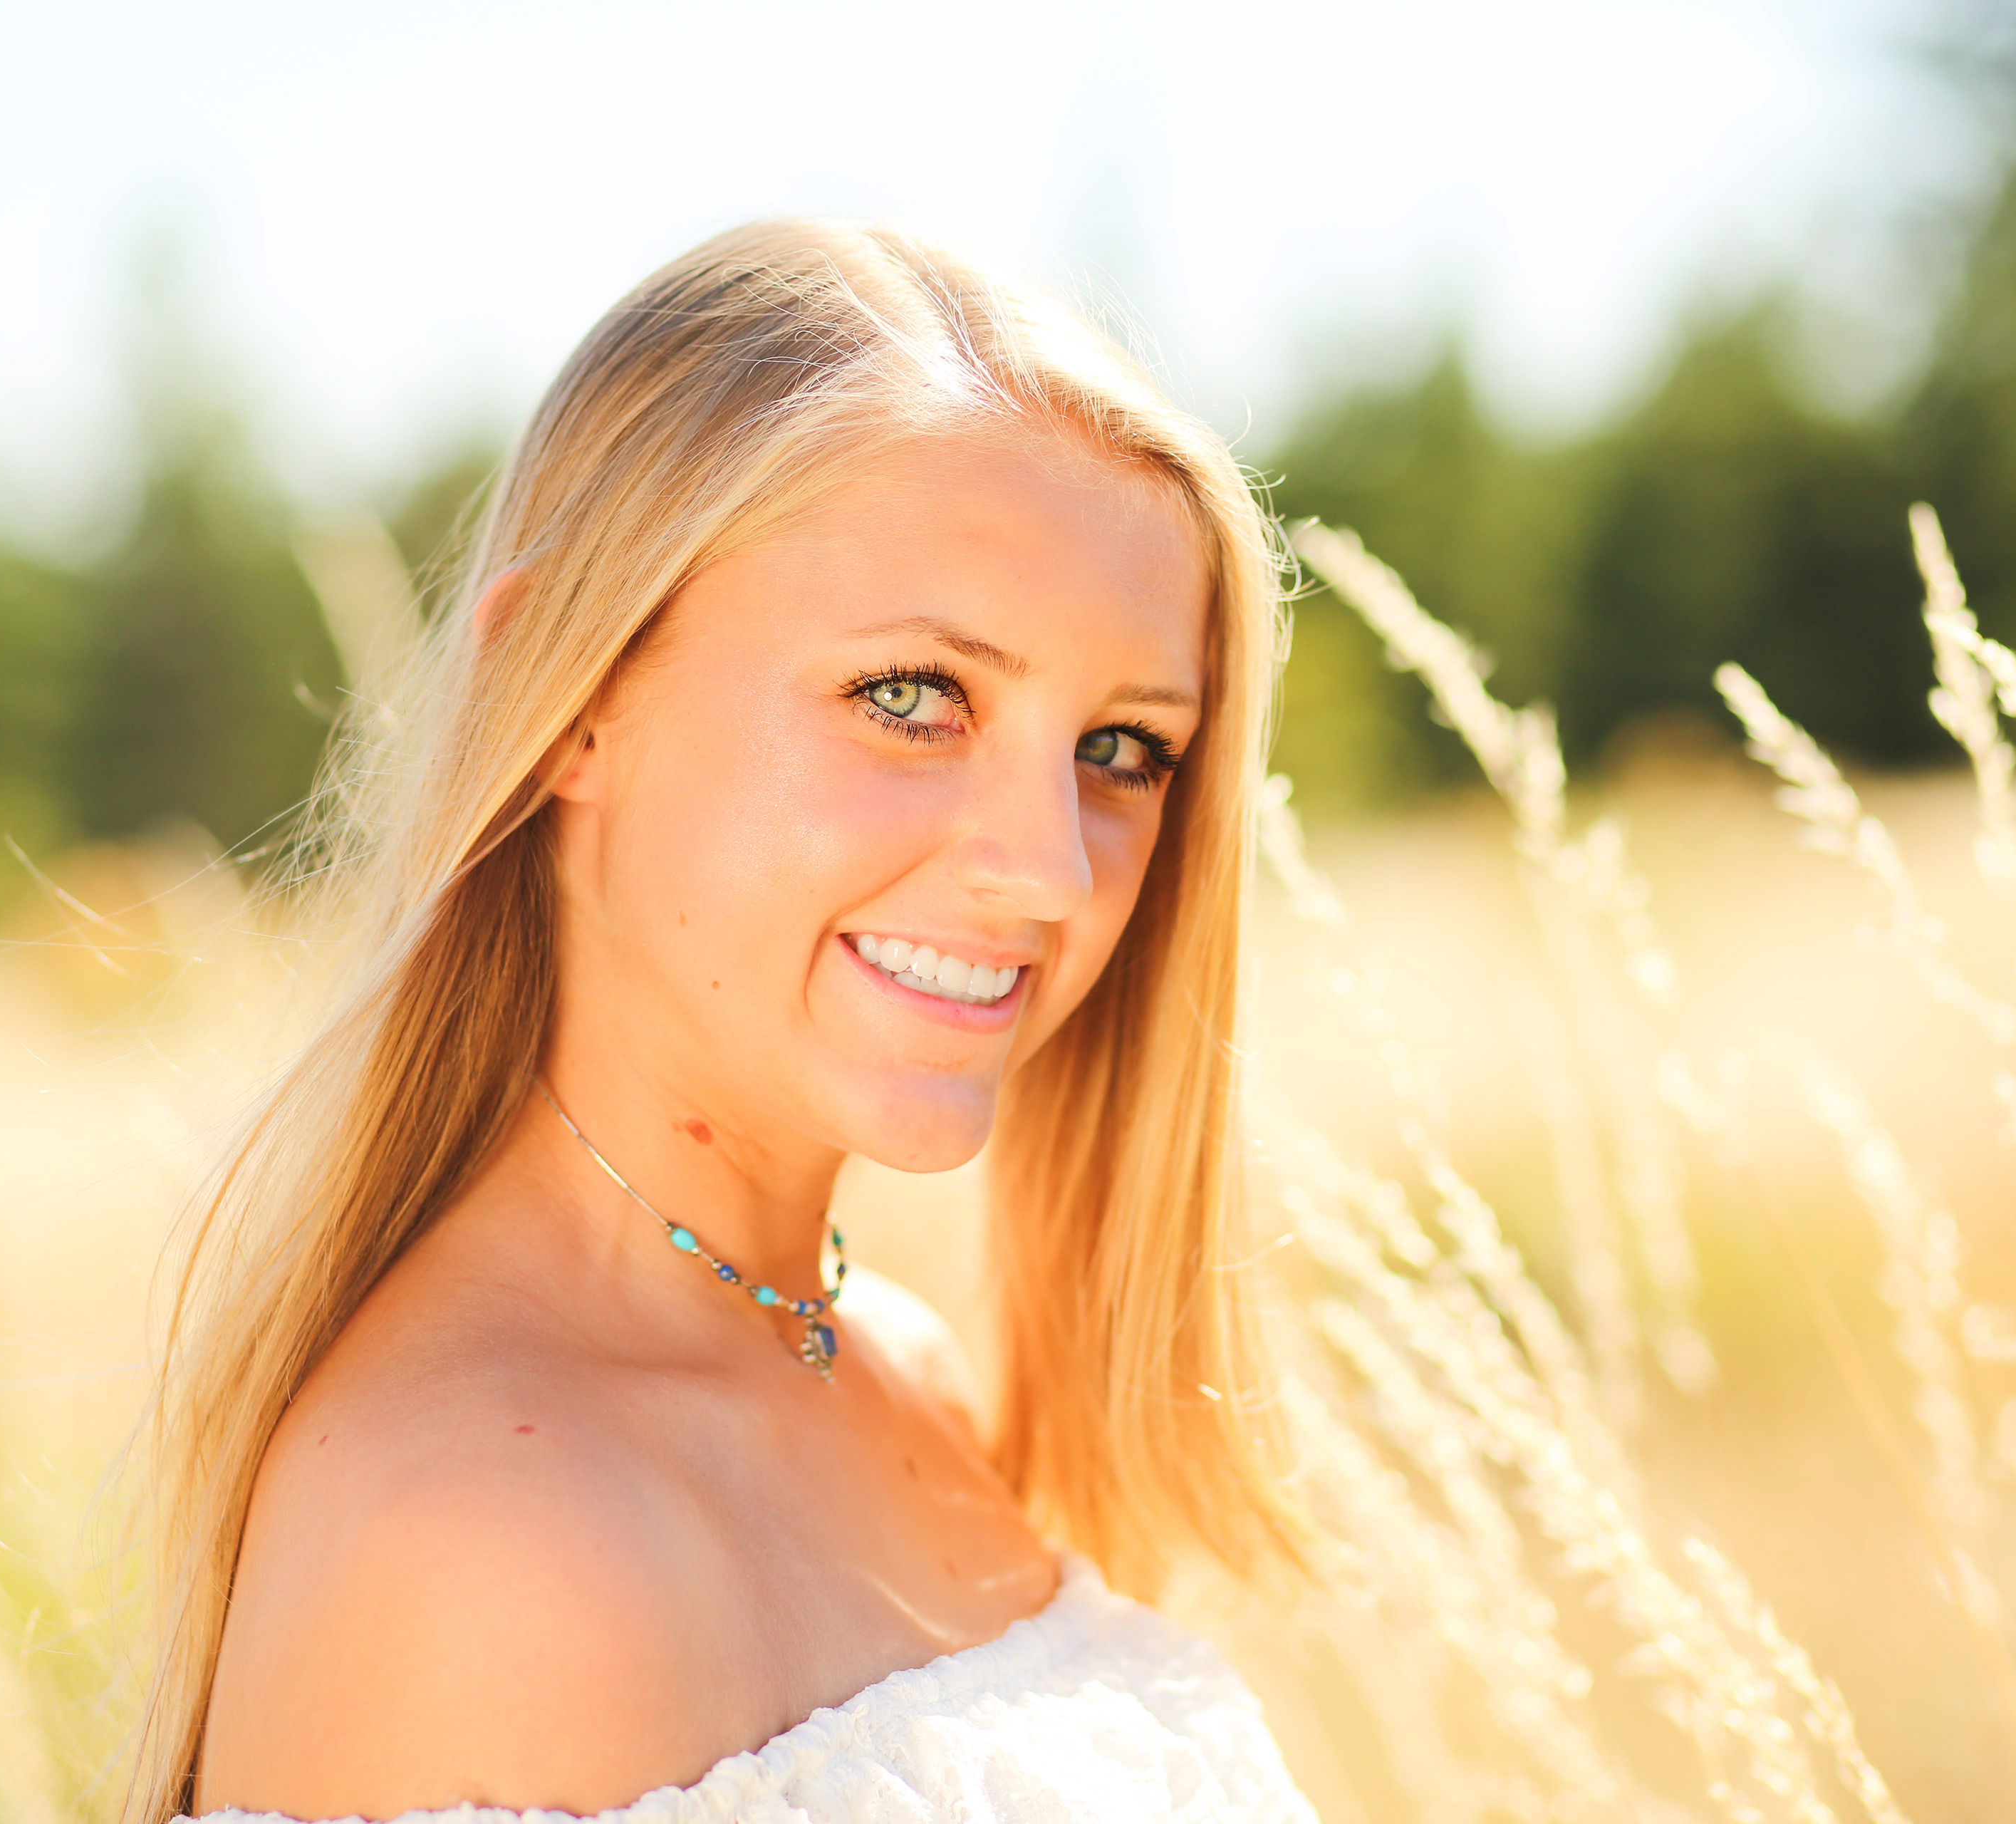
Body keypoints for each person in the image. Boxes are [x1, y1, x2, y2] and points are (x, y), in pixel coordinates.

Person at [130, 219, 1319, 1823]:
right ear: (569, 696)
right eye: (914, 696)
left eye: (1121, 749)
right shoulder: (480, 1539)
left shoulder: (909, 1372)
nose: (1049, 869)